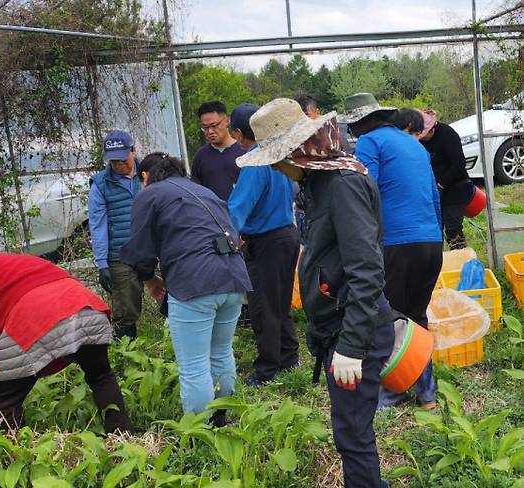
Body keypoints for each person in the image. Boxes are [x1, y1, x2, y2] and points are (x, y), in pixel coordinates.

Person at [236, 98, 393, 488]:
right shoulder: (318, 182)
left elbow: (367, 270)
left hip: (353, 325)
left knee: (352, 435)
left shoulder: (341, 184)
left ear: (297, 149)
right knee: (350, 430)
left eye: (276, 157)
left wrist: (353, 346)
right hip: (336, 324)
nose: (274, 166)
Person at [0, 232, 133, 434]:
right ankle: (122, 438)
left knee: (5, 401)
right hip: (85, 308)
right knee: (100, 376)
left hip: (36, 320)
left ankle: (17, 458)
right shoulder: (7, 260)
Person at [120, 152, 251, 424]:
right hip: (234, 277)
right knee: (221, 351)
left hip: (195, 282)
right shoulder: (204, 192)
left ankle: (199, 431)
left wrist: (149, 279)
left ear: (145, 176)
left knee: (194, 366)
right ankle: (222, 416)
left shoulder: (150, 194)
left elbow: (140, 249)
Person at [339, 93, 442, 409]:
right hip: (430, 242)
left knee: (390, 320)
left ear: (359, 123)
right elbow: (434, 197)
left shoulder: (370, 143)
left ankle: (391, 393)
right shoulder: (415, 145)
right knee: (416, 316)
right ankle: (427, 394)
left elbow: (366, 191)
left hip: (398, 243)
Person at [227, 102, 300, 385]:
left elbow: (237, 209)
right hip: (286, 235)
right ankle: (288, 356)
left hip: (268, 241)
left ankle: (267, 369)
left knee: (263, 306)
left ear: (237, 132)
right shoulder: (276, 155)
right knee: (279, 302)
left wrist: (226, 240)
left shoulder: (255, 162)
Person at [88, 129, 143, 339]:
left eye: (122, 159)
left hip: (154, 249)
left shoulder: (150, 173)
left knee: (173, 299)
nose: (118, 165)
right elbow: (98, 224)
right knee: (126, 311)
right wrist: (102, 263)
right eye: (113, 161)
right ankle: (129, 354)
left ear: (133, 151)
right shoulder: (100, 184)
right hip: (120, 255)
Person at [418, 109, 474, 249]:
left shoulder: (447, 134)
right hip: (434, 189)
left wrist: (441, 185)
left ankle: (461, 260)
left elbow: (459, 163)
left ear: (431, 129)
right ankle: (438, 262)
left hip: (456, 187)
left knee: (453, 228)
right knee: (435, 229)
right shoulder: (419, 142)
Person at [191, 101, 246, 201]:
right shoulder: (200, 156)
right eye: (205, 127)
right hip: (212, 214)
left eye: (214, 125)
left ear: (227, 121)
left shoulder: (244, 152)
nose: (210, 131)